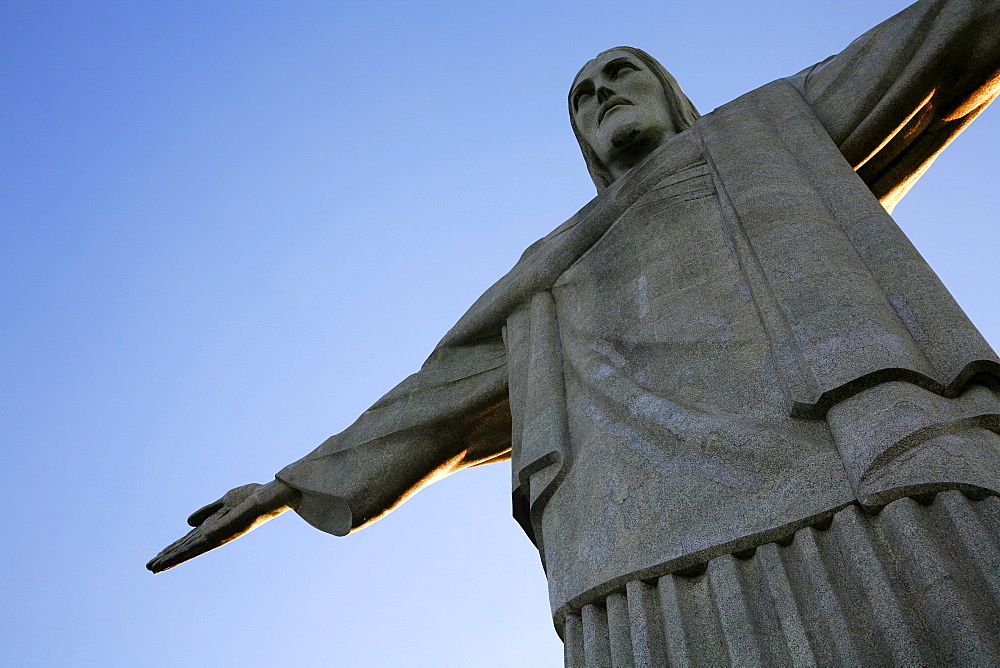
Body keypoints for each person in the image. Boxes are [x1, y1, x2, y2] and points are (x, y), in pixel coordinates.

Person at [150, 1, 1000, 664]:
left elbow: (945, 35)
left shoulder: (774, 125)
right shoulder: (550, 270)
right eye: (584, 99)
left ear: (669, 89)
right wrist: (289, 485)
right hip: (632, 540)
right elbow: (438, 395)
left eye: (620, 74)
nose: (603, 96)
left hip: (852, 453)